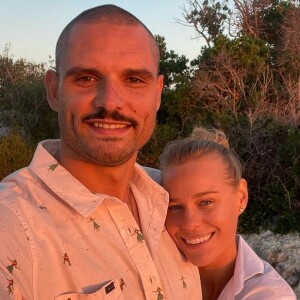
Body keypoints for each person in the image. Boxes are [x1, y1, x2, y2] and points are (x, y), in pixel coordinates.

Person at [0, 5, 201, 299]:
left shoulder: (174, 198)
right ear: (54, 90)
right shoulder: (12, 228)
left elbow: (238, 274)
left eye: (134, 80)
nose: (111, 102)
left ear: (157, 94)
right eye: (86, 79)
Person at [159, 127, 296, 300]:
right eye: (175, 207)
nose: (189, 223)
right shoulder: (153, 276)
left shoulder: (269, 295)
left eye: (206, 202)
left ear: (241, 197)